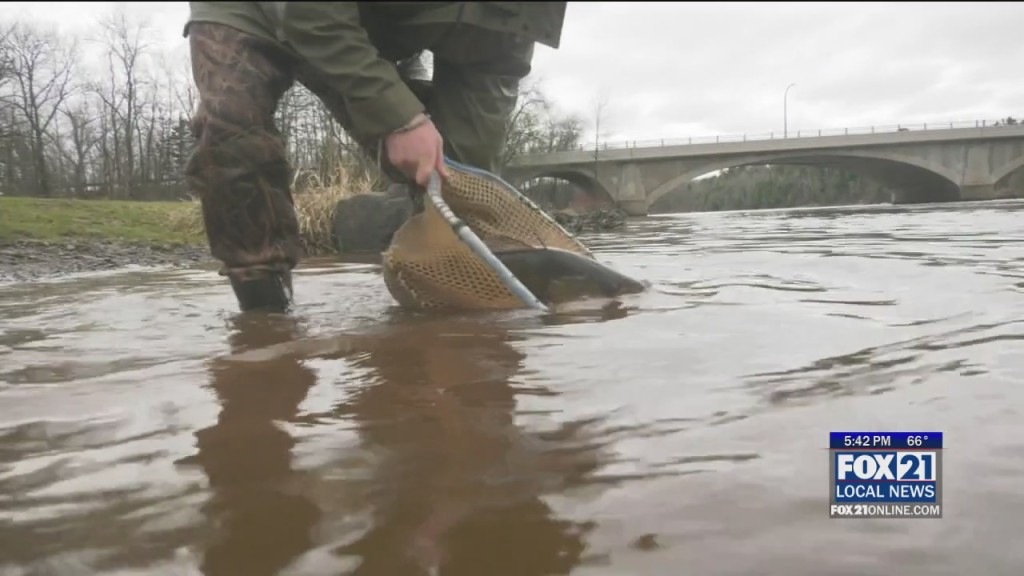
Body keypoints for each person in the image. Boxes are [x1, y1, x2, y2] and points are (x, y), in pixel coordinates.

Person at [182, 2, 568, 313]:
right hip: (254, 10)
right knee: (230, 132)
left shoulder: (520, 12)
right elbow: (311, 16)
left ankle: (436, 331)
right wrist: (399, 117)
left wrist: (462, 195)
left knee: (446, 172)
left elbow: (484, 89)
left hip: (367, 30)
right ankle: (264, 316)